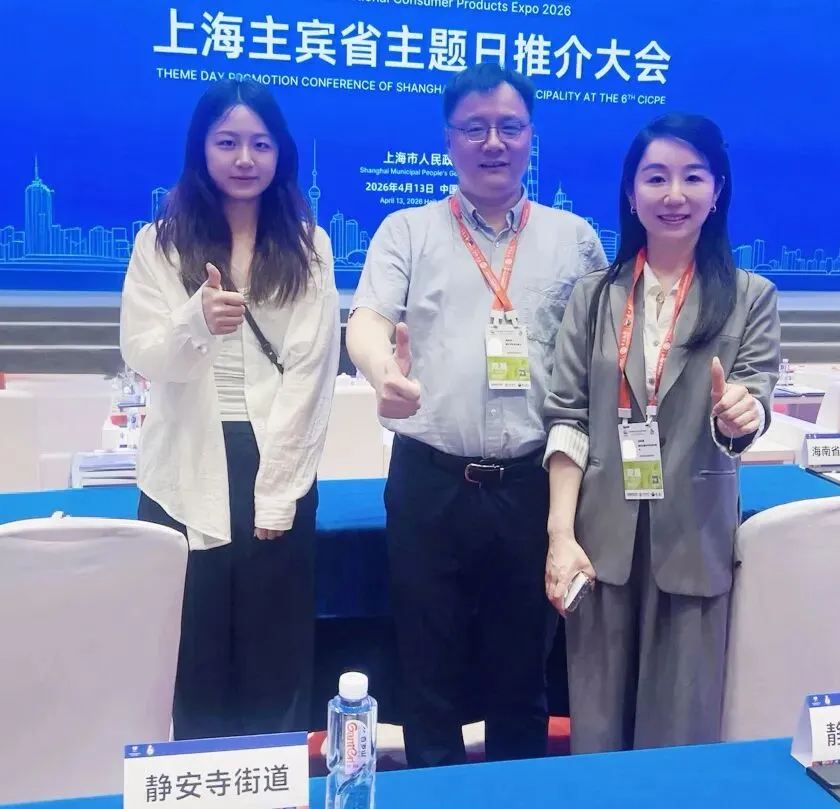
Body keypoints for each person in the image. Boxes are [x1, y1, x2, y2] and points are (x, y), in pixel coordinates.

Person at [346, 62, 608, 768]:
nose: (494, 142)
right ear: (449, 139)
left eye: (509, 127)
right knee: (426, 667)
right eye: (475, 128)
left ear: (531, 136)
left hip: (530, 484)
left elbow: (598, 356)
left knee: (522, 673)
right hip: (430, 480)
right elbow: (367, 318)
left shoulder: (574, 238)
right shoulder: (407, 230)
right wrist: (382, 370)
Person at [542, 113, 781, 754]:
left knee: (681, 731)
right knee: (596, 727)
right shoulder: (593, 298)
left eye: (692, 177)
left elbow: (754, 396)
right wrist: (560, 535)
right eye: (656, 178)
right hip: (600, 541)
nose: (674, 194)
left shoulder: (751, 297)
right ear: (631, 193)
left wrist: (741, 415)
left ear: (718, 189)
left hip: (694, 536)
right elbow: (566, 417)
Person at [119, 79, 340, 740]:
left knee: (276, 654)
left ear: (280, 153)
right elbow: (142, 351)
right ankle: (199, 776)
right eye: (228, 142)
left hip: (275, 457)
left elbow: (312, 372)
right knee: (192, 651)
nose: (245, 158)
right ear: (201, 149)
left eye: (260, 144)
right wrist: (196, 321)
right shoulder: (160, 243)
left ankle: (271, 775)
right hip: (184, 466)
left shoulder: (309, 245)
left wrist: (277, 494)